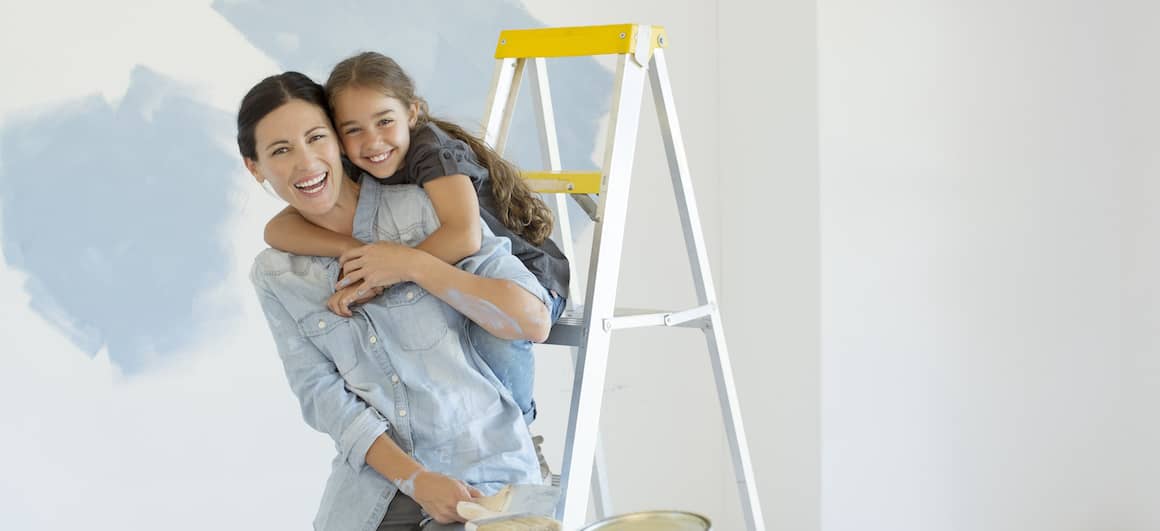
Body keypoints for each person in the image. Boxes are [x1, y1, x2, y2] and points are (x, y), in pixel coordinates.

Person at [239, 71, 552, 531]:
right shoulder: (276, 274)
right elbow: (322, 397)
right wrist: (417, 480)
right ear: (256, 167)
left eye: (316, 138)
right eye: (280, 150)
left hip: (484, 477)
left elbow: (532, 321)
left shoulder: (426, 210)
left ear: (338, 141)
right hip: (372, 492)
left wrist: (410, 264)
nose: (305, 163)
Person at [263, 52, 569, 430]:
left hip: (526, 278)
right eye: (352, 129)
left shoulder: (431, 150)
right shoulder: (357, 161)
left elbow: (464, 235)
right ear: (339, 138)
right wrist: (354, 253)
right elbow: (275, 230)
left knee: (488, 334)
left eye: (384, 121)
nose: (372, 141)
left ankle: (519, 428)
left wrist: (385, 274)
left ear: (412, 112)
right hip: (450, 273)